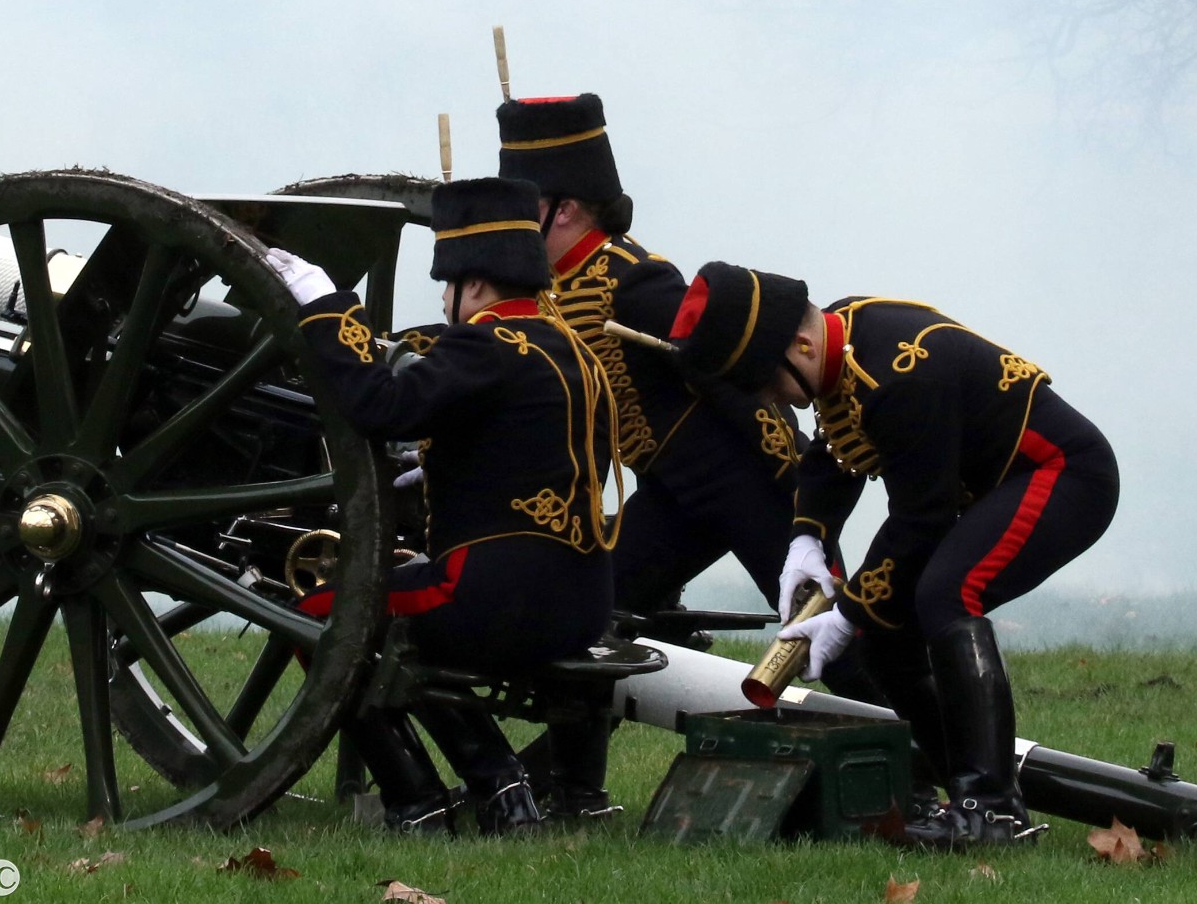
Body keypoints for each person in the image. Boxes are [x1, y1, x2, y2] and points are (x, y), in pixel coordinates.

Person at [494, 92, 890, 816]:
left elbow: (735, 381)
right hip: (674, 491)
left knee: (819, 624)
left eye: (528, 211)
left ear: (569, 209)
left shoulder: (638, 283)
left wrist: (795, 491)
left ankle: (932, 754)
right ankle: (569, 786)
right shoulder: (549, 290)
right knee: (598, 613)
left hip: (741, 476)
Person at [671, 262, 1120, 846]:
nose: (769, 398)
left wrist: (849, 611)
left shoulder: (900, 378)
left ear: (801, 345)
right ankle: (955, 788)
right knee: (888, 638)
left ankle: (993, 809)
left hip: (1062, 474)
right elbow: (837, 448)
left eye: (765, 382)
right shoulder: (844, 339)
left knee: (947, 594)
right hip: (994, 487)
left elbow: (921, 520)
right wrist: (808, 536)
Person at [268, 176, 620, 835]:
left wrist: (323, 304)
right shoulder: (575, 350)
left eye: (448, 286)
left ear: (476, 283)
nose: (444, 299)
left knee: (316, 618)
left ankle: (428, 796)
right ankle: (504, 788)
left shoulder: (483, 346)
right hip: (582, 604)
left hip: (494, 602)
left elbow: (382, 406)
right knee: (403, 597)